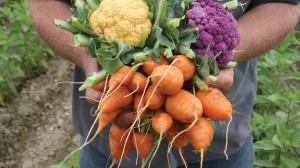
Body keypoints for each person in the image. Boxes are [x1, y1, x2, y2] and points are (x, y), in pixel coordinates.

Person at [29, 0, 300, 167]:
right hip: (113, 147)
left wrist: (225, 53)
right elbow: (45, 2)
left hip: (221, 148)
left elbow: (281, 4)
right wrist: (90, 61)